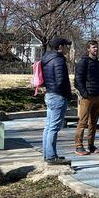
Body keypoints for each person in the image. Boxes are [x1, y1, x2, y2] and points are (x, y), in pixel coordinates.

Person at [42, 37, 72, 165]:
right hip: (58, 96)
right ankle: (51, 156)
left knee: (48, 127)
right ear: (60, 47)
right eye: (66, 45)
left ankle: (47, 154)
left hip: (50, 94)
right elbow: (61, 81)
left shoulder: (47, 59)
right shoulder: (58, 61)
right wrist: (67, 96)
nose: (68, 48)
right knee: (53, 127)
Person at [74, 40, 99, 155]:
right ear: (88, 49)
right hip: (87, 97)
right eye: (93, 47)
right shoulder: (83, 62)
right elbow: (77, 81)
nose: (95, 49)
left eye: (96, 47)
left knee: (93, 123)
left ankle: (91, 145)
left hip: (98, 96)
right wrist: (84, 93)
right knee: (83, 122)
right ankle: (78, 146)